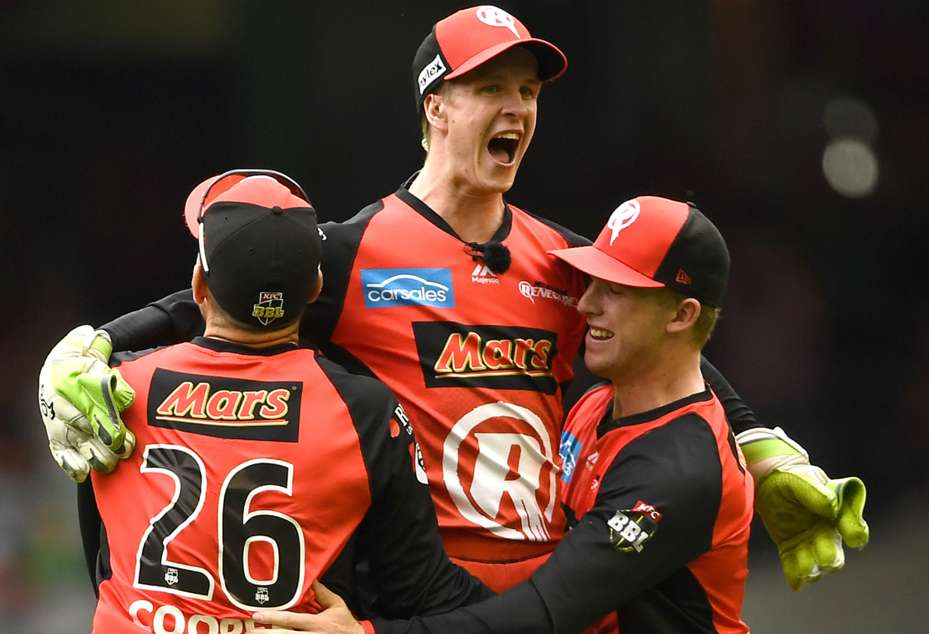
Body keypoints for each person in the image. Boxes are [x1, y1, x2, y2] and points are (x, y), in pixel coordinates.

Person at [38, 5, 867, 596]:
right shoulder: (353, 250)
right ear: (435, 106)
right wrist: (90, 345)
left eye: (528, 93)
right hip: (415, 596)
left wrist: (759, 443)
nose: (517, 108)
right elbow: (209, 296)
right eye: (491, 87)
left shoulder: (565, 260)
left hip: (549, 597)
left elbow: (669, 347)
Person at [250, 195, 754, 634]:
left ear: (682, 315)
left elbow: (545, 613)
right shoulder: (599, 404)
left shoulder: (680, 470)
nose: (585, 304)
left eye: (616, 291)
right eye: (593, 281)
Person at [48, 171, 490, 633]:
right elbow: (421, 592)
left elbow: (101, 564)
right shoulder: (364, 411)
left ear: (198, 284)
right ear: (316, 288)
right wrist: (539, 603)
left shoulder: (115, 385)